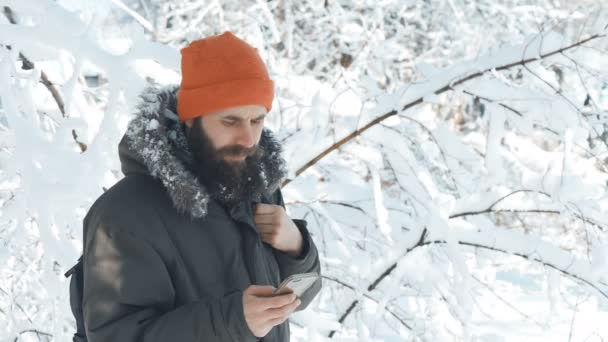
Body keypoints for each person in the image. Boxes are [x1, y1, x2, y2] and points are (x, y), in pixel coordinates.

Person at [80, 31, 322, 341]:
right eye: (231, 121)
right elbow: (116, 336)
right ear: (191, 119)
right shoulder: (124, 214)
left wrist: (295, 247)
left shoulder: (254, 187)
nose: (248, 140)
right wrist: (231, 321)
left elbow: (303, 294)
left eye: (257, 120)